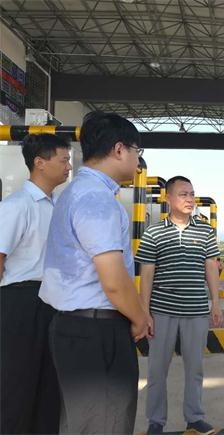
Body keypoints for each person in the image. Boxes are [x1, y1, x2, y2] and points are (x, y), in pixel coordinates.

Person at [39, 111, 150, 433]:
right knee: (104, 423)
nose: (137, 161)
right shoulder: (97, 199)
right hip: (96, 331)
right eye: (137, 152)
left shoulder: (76, 192)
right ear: (119, 149)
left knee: (84, 423)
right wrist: (140, 318)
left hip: (77, 327)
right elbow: (113, 281)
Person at [135, 175, 223, 435]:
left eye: (192, 194)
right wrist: (145, 312)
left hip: (196, 311)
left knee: (195, 368)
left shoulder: (205, 231)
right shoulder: (154, 233)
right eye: (183, 194)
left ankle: (194, 417)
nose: (189, 199)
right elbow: (147, 275)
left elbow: (211, 268)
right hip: (162, 311)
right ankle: (155, 421)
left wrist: (216, 303)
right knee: (157, 370)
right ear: (168, 198)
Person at [0, 134, 71, 434]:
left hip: (51, 302)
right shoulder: (17, 205)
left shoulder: (56, 206)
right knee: (17, 386)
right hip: (21, 303)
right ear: (40, 163)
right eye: (64, 160)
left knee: (49, 387)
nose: (68, 166)